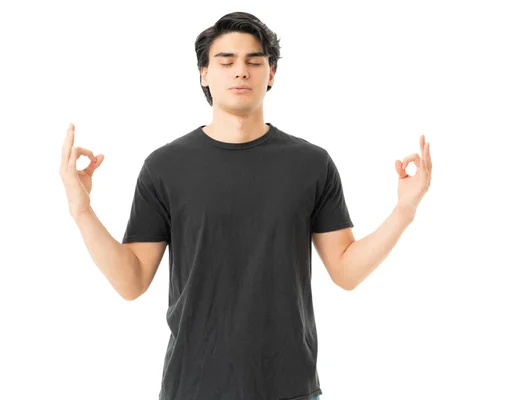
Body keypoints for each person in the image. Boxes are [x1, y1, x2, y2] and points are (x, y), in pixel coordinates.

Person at [59, 11, 432, 400]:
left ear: (271, 74)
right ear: (204, 73)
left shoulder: (311, 164)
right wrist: (81, 209)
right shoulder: (164, 167)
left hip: (289, 387)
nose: (241, 71)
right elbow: (131, 281)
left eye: (255, 61)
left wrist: (404, 210)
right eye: (226, 61)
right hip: (193, 387)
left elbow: (346, 271)